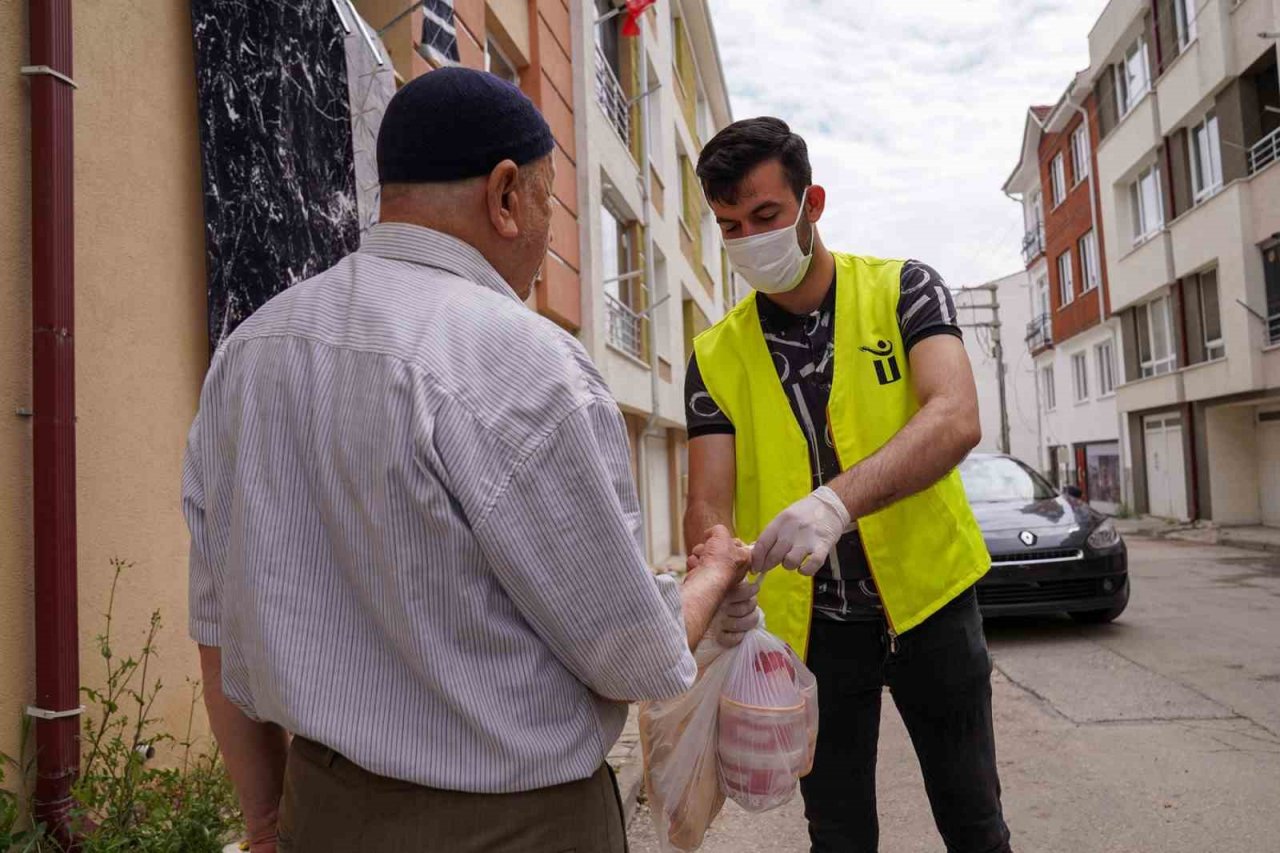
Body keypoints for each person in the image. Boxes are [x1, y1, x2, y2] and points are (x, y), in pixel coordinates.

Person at [182, 67, 756, 853]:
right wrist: (714, 572)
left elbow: (218, 629)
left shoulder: (249, 355)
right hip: (514, 824)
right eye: (550, 203)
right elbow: (631, 654)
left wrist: (265, 820)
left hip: (320, 807)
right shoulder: (524, 365)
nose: (548, 232)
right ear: (507, 194)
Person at [683, 117, 1013, 853]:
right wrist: (717, 577)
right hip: (814, 633)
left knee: (974, 821)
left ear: (812, 203)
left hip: (931, 605)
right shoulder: (715, 352)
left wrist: (837, 500)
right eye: (729, 225)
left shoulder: (905, 290)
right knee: (836, 835)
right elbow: (707, 495)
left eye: (766, 216)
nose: (748, 240)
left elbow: (956, 414)